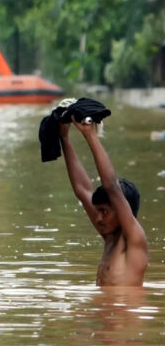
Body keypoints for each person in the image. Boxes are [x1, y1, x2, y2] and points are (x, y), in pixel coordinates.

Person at [60, 120, 147, 286]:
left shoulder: (133, 240)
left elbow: (111, 186)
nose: (98, 218)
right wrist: (64, 137)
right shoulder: (110, 238)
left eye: (104, 212)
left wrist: (89, 134)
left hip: (124, 312)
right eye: (98, 211)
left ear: (122, 211)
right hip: (105, 311)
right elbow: (82, 191)